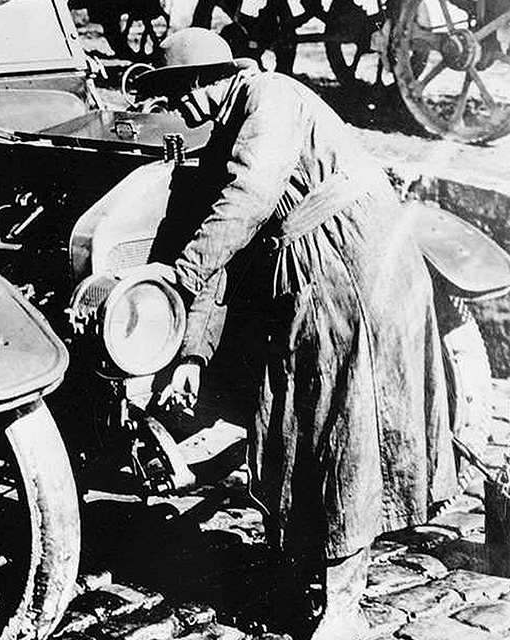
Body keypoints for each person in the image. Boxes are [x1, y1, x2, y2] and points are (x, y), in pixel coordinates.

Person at [138, 28, 458, 639]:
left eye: (178, 94)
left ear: (208, 82)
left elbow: (250, 196)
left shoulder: (271, 96)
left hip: (355, 267)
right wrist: (193, 354)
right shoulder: (223, 133)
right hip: (313, 273)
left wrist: (178, 276)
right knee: (303, 424)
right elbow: (220, 247)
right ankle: (310, 563)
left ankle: (343, 607)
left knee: (342, 428)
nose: (176, 111)